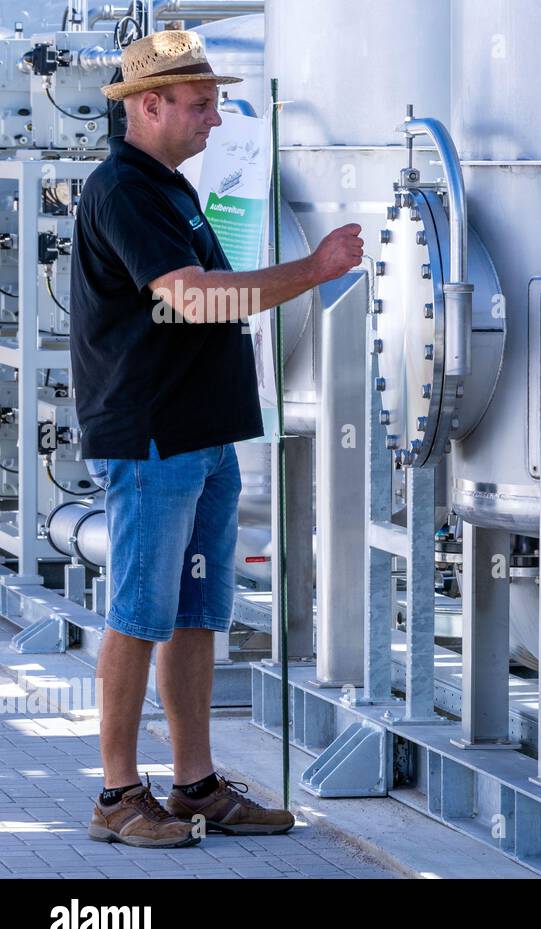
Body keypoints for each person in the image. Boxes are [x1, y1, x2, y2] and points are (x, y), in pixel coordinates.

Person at [70, 30, 363, 847]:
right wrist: (313, 268)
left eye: (216, 100)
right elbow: (193, 300)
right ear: (148, 105)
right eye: (200, 104)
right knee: (139, 611)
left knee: (196, 610)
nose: (215, 116)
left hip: (201, 433)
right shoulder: (126, 189)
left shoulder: (169, 187)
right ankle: (116, 794)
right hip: (154, 437)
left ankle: (194, 782)